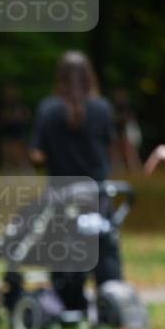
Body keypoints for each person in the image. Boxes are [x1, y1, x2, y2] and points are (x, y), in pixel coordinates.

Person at [29, 50, 122, 313]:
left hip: (61, 194)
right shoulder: (102, 108)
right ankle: (111, 303)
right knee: (104, 246)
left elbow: (37, 154)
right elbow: (108, 145)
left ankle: (67, 302)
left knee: (62, 248)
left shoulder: (48, 109)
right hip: (97, 194)